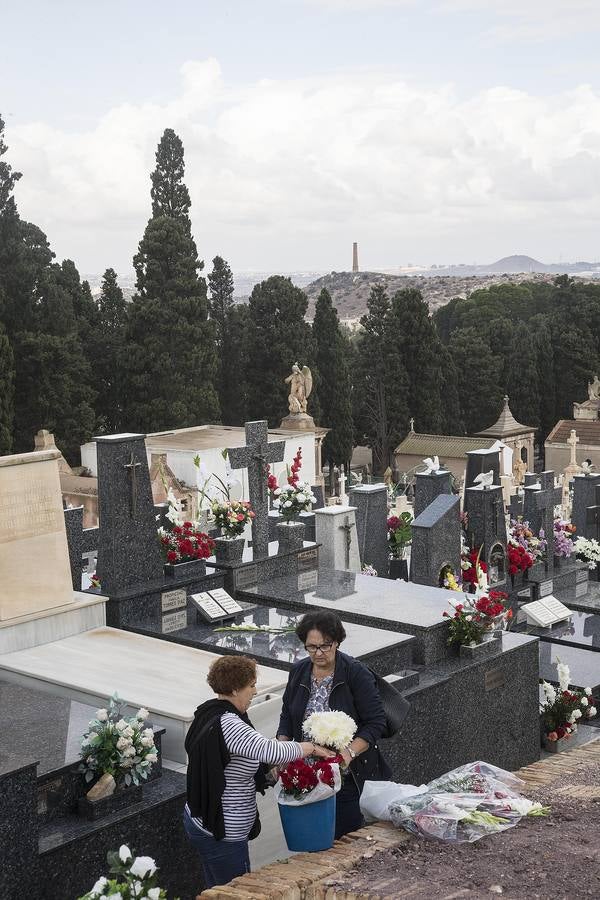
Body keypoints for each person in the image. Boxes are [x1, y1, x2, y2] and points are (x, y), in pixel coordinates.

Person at [184, 655, 330, 889]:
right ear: (234, 689)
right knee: (237, 892)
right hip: (223, 832)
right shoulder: (229, 723)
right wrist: (310, 747)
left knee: (217, 890)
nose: (254, 691)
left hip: (203, 821)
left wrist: (273, 775)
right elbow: (270, 750)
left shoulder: (209, 712)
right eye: (251, 686)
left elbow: (242, 761)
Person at [277, 610, 391, 839]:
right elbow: (287, 716)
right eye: (311, 647)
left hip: (345, 778)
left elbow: (376, 721)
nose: (318, 653)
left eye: (325, 646)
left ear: (337, 642)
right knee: (311, 841)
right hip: (305, 776)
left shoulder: (355, 673)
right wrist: (281, 749)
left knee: (343, 841)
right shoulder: (299, 671)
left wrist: (347, 754)